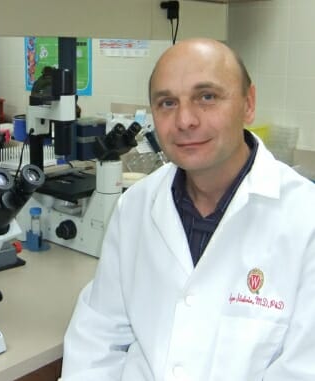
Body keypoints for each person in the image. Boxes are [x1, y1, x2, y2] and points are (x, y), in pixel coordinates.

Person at [61, 38, 315, 380]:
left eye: (206, 97)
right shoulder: (135, 205)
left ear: (248, 103)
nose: (184, 120)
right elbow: (98, 338)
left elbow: (303, 369)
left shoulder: (305, 218)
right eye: (167, 103)